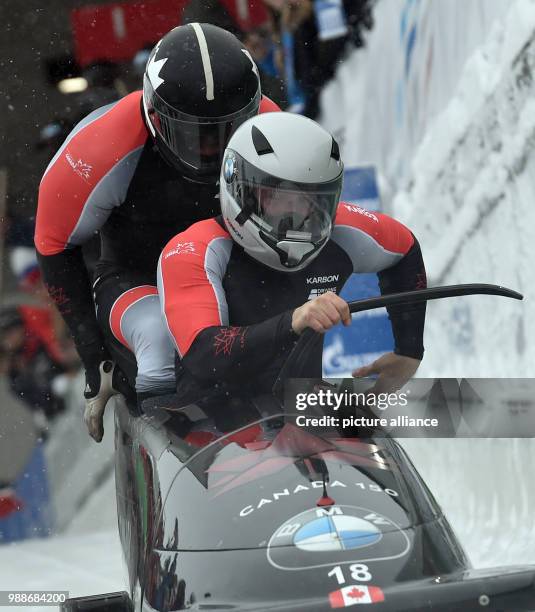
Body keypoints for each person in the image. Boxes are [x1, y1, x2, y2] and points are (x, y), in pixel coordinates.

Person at [34, 23, 280, 442]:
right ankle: (175, 443)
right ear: (152, 117)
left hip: (228, 267)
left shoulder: (276, 131)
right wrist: (95, 358)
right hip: (136, 277)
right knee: (158, 341)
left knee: (259, 340)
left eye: (226, 131)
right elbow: (53, 242)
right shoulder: (101, 146)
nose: (211, 150)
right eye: (194, 134)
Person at [156, 112, 426, 400]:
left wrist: (409, 351)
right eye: (276, 197)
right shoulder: (196, 249)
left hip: (299, 415)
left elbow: (405, 249)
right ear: (240, 190)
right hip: (208, 425)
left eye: (309, 200)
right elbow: (204, 354)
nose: (295, 215)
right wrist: (294, 321)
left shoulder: (343, 229)